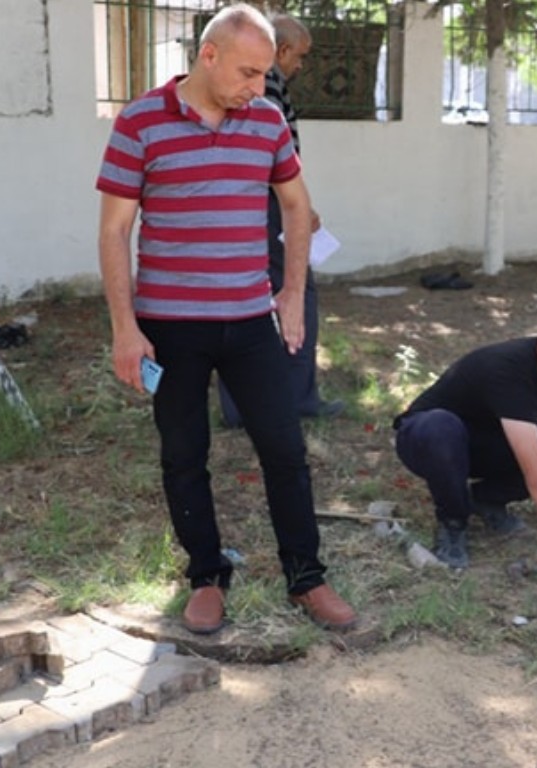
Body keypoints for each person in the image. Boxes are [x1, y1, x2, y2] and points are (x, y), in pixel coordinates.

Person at [96, 4, 357, 635]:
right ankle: (206, 575)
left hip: (249, 322)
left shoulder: (266, 120)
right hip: (170, 326)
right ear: (207, 56)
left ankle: (306, 577)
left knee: (285, 449)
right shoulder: (140, 122)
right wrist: (125, 330)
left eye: (265, 75)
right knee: (184, 454)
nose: (257, 88)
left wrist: (292, 292)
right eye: (247, 73)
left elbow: (297, 207)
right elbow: (114, 230)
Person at [393, 302, 537, 595]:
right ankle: (452, 521)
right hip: (426, 439)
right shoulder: (509, 369)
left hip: (480, 443)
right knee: (442, 427)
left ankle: (482, 500)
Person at [216, 12, 343, 428]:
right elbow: (268, 156)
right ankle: (298, 397)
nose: (300, 65)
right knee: (296, 289)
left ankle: (241, 406)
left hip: (246, 204)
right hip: (266, 204)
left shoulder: (248, 85)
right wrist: (297, 207)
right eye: (299, 55)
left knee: (242, 296)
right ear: (282, 49)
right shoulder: (266, 86)